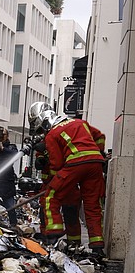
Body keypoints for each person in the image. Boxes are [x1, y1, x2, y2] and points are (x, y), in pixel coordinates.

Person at [28, 101, 107, 255]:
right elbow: (100, 137)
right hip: (95, 164)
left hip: (75, 164)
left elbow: (57, 165)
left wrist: (50, 161)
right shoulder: (80, 123)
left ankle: (53, 235)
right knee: (92, 206)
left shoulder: (52, 134)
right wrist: (98, 153)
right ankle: (97, 247)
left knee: (51, 196)